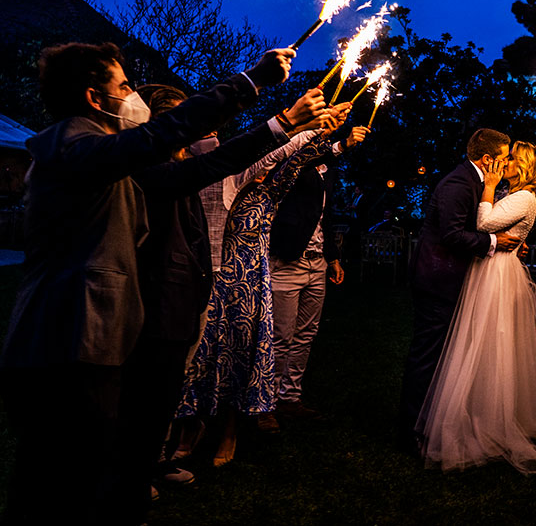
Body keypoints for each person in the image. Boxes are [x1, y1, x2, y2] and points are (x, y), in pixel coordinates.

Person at [0, 41, 296, 525]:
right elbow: (163, 136)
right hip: (63, 344)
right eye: (124, 86)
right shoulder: (74, 147)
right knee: (57, 486)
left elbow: (194, 167)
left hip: (89, 342)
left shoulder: (102, 155)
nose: (133, 95)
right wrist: (251, 82)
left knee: (81, 479)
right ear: (96, 98)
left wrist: (279, 128)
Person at [115, 84, 332, 521]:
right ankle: (137, 472)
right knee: (159, 382)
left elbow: (268, 158)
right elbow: (238, 156)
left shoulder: (195, 164)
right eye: (187, 118)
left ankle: (159, 460)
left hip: (203, 282)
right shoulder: (161, 166)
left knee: (176, 376)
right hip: (162, 287)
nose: (201, 127)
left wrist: (311, 129)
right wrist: (290, 120)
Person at [177, 114, 362, 466]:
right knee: (203, 358)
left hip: (252, 286)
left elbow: (295, 159)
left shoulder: (273, 189)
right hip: (218, 281)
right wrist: (306, 125)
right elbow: (280, 152)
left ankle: (232, 431)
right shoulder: (228, 183)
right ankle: (189, 428)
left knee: (243, 356)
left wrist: (329, 135)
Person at [416, 141, 536, 473]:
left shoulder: (524, 196)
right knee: (479, 343)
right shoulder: (516, 195)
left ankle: (488, 420)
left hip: (498, 275)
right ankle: (475, 412)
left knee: (490, 342)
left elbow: (484, 224)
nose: (505, 163)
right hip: (489, 267)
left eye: (512, 159)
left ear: (524, 166)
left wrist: (490, 188)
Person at [398, 128, 521, 452]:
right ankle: (411, 430)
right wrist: (494, 242)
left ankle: (431, 420)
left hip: (450, 280)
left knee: (441, 354)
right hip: (438, 280)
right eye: (505, 158)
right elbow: (452, 235)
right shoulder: (458, 183)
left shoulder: (475, 182)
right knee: (427, 354)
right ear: (488, 159)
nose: (507, 163)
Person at [265, 124, 369, 429]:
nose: (328, 131)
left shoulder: (326, 168)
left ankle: (290, 397)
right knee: (280, 335)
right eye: (322, 128)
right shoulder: (292, 159)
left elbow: (327, 214)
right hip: (288, 258)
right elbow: (294, 167)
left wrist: (332, 257)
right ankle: (266, 402)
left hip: (317, 262)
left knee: (306, 335)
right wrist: (343, 145)